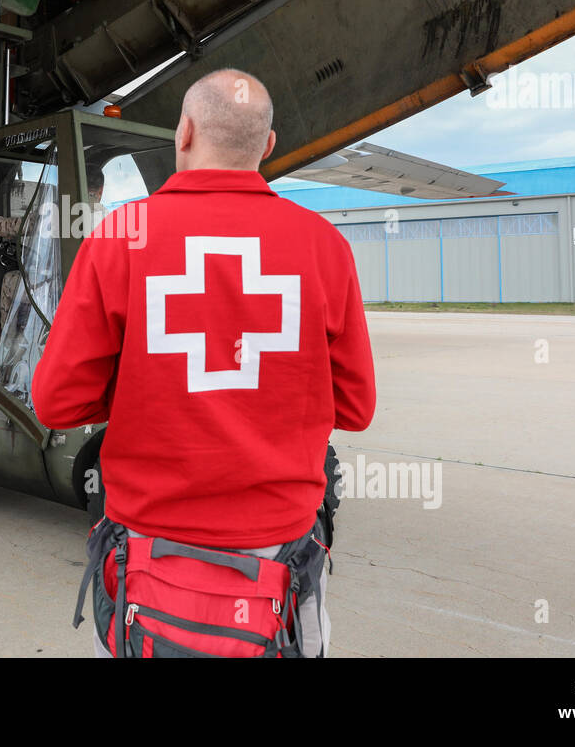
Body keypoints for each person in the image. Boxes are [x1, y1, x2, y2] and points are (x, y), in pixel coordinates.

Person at [31, 68, 376, 657]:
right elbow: (355, 407)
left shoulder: (121, 237)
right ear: (268, 146)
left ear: (183, 132)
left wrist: (147, 387)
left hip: (148, 562)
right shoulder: (324, 245)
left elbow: (57, 400)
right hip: (279, 565)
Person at [0, 169, 104, 357]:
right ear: (101, 191)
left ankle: (4, 348)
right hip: (91, 293)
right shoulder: (111, 220)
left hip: (54, 289)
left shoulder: (57, 212)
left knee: (9, 279)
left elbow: (13, 227)